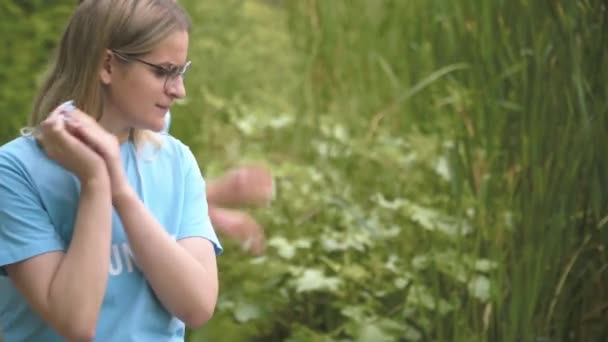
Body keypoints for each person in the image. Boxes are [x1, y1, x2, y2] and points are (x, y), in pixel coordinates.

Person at [0, 1, 221, 341]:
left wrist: (120, 191)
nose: (179, 90)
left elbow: (198, 306)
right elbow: (75, 323)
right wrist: (95, 182)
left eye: (181, 72)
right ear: (107, 65)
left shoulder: (176, 161)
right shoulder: (14, 171)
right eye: (163, 71)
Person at [163, 112, 273, 255]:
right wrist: (210, 213)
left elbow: (149, 179)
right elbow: (135, 194)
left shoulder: (156, 117)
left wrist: (214, 192)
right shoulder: (140, 115)